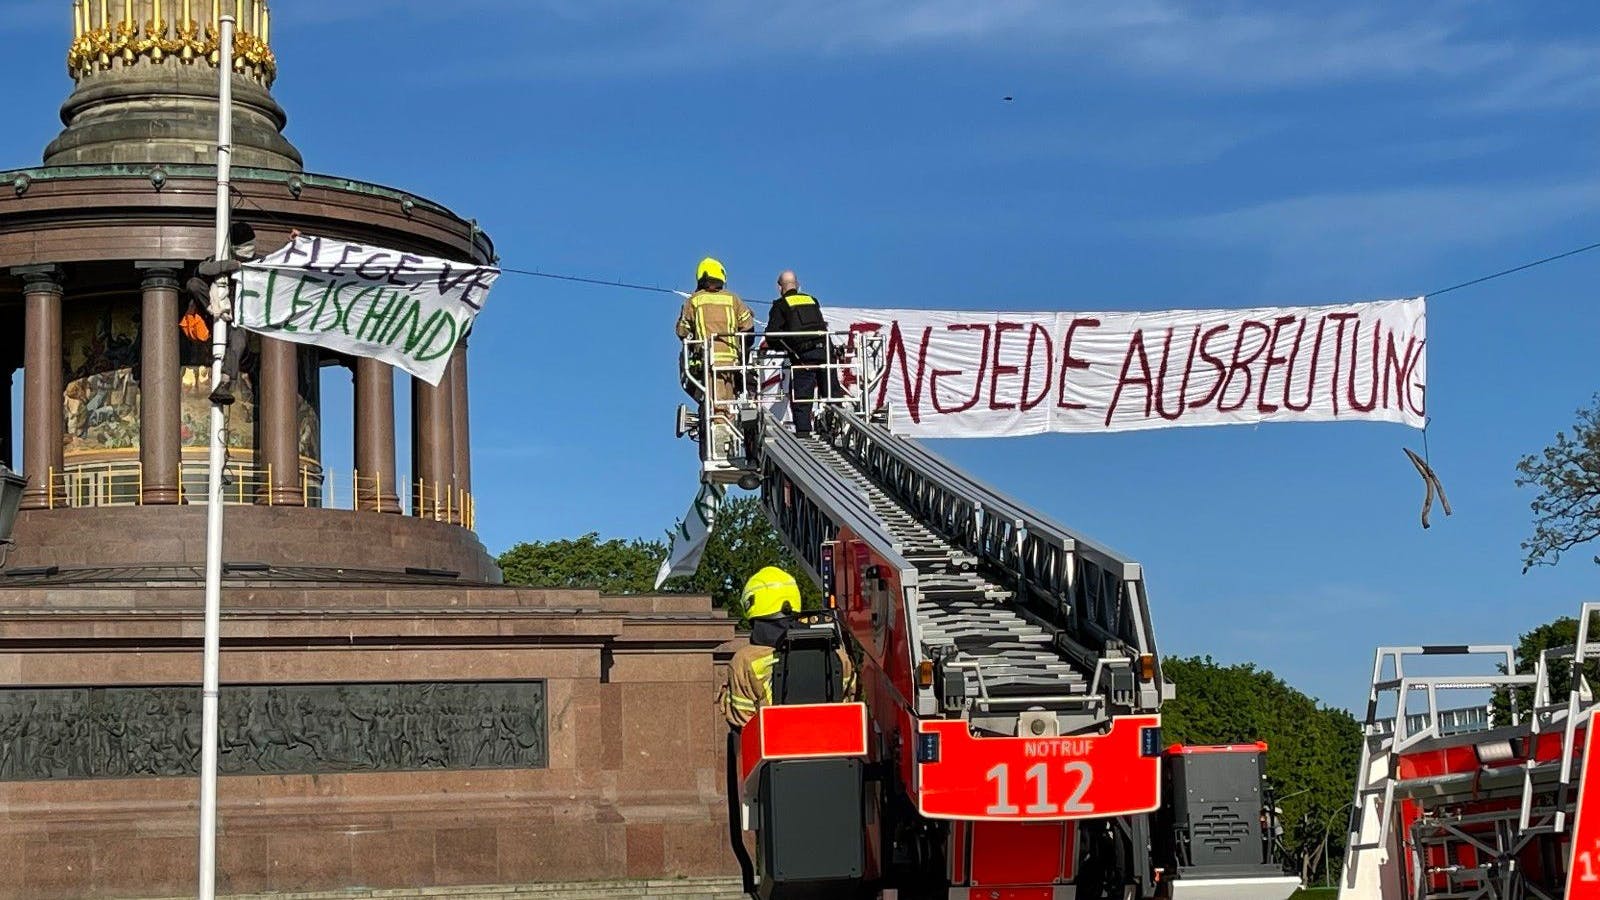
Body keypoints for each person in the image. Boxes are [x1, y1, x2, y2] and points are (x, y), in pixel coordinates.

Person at [719, 566, 856, 729]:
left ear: (751, 603)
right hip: (832, 740)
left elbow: (742, 724)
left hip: (773, 746)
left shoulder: (744, 661)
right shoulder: (837, 654)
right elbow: (849, 699)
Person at [185, 221, 260, 406]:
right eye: (244, 247)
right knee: (193, 284)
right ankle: (213, 309)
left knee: (237, 341)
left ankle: (225, 383)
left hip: (239, 318)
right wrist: (232, 265)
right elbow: (201, 270)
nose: (249, 250)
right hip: (215, 313)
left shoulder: (259, 263)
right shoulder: (221, 258)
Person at [676, 257, 755, 424]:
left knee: (717, 408)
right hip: (733, 361)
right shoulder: (734, 299)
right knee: (729, 399)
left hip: (709, 360)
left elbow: (682, 330)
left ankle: (720, 430)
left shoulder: (694, 300)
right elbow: (748, 327)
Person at [764, 270, 830, 436]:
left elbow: (772, 335)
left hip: (803, 357)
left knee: (802, 398)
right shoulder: (812, 300)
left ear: (779, 288)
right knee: (831, 395)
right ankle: (833, 427)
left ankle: (804, 434)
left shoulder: (781, 304)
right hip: (825, 354)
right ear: (798, 285)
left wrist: (785, 348)